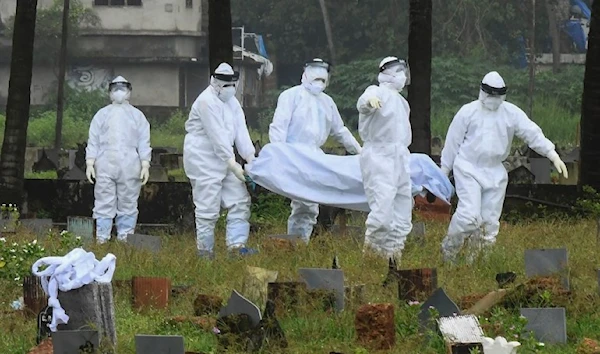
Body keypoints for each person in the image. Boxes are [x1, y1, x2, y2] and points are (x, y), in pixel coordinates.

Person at [440, 71, 569, 263]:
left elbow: (531, 133)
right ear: (482, 91)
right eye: (490, 93)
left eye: (497, 94)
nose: (493, 99)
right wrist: (444, 170)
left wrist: (552, 153)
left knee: (489, 223)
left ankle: (477, 264)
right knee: (468, 216)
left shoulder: (511, 113)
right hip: (468, 168)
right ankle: (448, 254)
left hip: (495, 172)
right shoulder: (468, 112)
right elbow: (452, 142)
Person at [269, 58, 362, 243]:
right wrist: (279, 154)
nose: (319, 82)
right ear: (305, 73)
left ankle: (299, 243)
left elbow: (340, 130)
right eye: (315, 77)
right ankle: (296, 244)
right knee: (304, 203)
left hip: (315, 157)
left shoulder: (327, 102)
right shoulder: (291, 96)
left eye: (322, 79)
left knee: (311, 205)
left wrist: (360, 152)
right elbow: (279, 127)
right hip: (294, 155)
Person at [183, 62, 257, 259]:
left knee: (240, 201)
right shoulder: (206, 101)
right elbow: (217, 136)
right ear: (215, 83)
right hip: (203, 159)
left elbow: (241, 131)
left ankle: (236, 247)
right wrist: (232, 163)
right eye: (226, 85)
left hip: (226, 159)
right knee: (208, 208)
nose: (230, 89)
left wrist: (250, 158)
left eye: (233, 84)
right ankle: (205, 253)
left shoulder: (232, 103)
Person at [356, 56, 413, 261]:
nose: (402, 75)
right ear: (386, 72)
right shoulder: (375, 91)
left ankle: (393, 258)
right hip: (379, 156)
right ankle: (371, 258)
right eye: (397, 70)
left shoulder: (402, 102)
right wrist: (369, 103)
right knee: (382, 213)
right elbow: (363, 103)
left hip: (400, 157)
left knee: (402, 213)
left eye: (403, 70)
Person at [85, 76, 152, 244]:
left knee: (128, 200)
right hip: (105, 163)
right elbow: (93, 140)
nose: (119, 92)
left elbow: (144, 141)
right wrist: (90, 162)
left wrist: (145, 163)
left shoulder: (137, 116)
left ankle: (125, 238)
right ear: (109, 92)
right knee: (103, 200)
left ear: (129, 91)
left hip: (130, 164)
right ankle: (102, 238)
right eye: (115, 89)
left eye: (123, 88)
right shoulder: (102, 115)